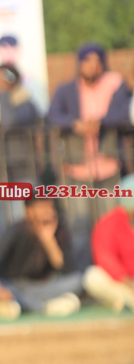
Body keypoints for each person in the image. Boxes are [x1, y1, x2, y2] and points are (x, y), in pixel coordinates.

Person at [47, 41, 131, 250]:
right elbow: (53, 116)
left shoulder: (114, 84)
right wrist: (75, 124)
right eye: (87, 61)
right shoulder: (66, 90)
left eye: (97, 61)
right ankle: (84, 268)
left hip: (108, 167)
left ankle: (109, 266)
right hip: (77, 169)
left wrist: (101, 123)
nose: (92, 66)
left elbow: (126, 114)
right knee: (80, 226)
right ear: (79, 64)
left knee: (110, 225)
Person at [0, 197, 83, 320]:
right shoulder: (16, 230)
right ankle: (46, 306)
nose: (50, 212)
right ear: (29, 212)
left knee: (77, 281)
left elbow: (64, 268)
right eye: (43, 208)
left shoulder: (59, 230)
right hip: (16, 287)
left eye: (51, 207)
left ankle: (20, 306)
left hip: (44, 287)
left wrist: (48, 240)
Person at [0, 64, 40, 248]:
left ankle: (22, 263)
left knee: (21, 227)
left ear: (12, 82)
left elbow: (9, 121)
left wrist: (4, 93)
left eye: (0, 79)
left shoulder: (26, 104)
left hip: (20, 175)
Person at [82, 175, 134, 312]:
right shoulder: (109, 222)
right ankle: (126, 302)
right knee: (93, 276)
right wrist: (129, 282)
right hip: (126, 283)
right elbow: (106, 259)